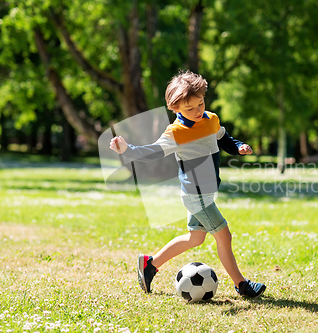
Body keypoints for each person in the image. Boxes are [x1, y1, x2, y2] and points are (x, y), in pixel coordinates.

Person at [109, 70, 266, 298]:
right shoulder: (176, 132)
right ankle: (241, 284)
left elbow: (223, 138)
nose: (197, 111)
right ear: (175, 109)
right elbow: (152, 152)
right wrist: (127, 149)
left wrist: (238, 147)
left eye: (200, 104)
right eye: (189, 109)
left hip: (208, 191)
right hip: (196, 195)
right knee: (224, 235)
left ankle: (150, 265)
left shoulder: (211, 119)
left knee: (196, 238)